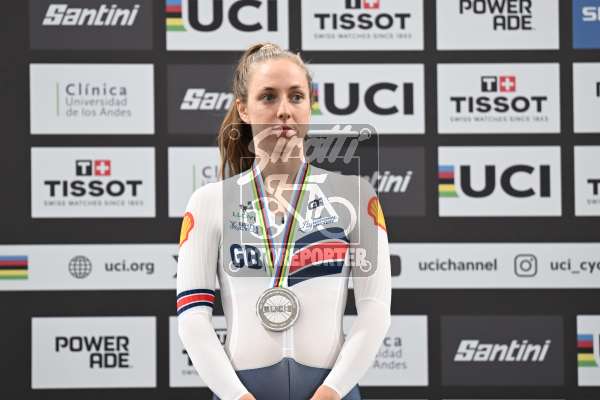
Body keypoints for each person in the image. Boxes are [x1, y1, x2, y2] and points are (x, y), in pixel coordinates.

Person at [176, 42, 391, 400]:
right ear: (243, 108)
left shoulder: (355, 196)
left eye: (296, 96)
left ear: (310, 103)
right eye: (268, 97)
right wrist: (237, 397)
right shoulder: (209, 203)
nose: (284, 111)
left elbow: (376, 311)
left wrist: (331, 393)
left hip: (332, 393)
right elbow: (193, 319)